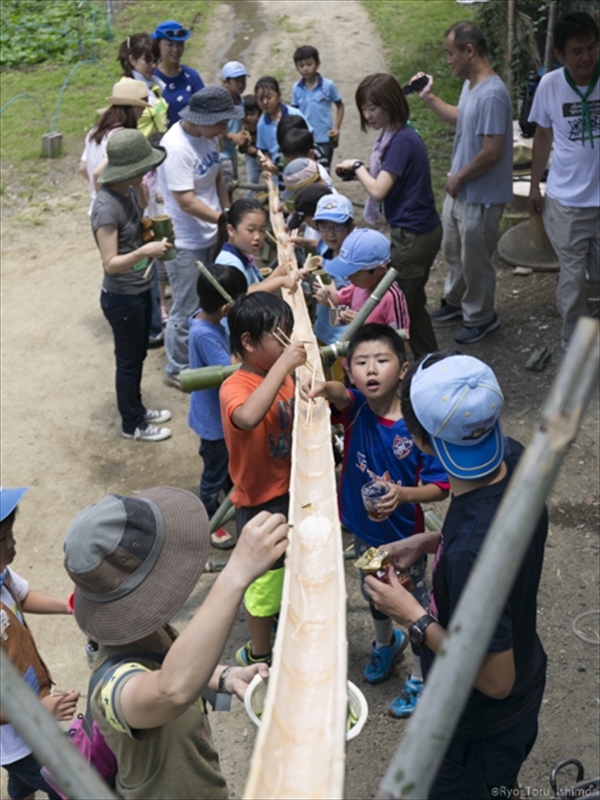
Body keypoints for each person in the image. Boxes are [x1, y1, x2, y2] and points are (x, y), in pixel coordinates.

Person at [364, 353, 548, 797]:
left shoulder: (469, 551)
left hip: (479, 724)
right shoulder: (516, 459)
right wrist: (429, 542)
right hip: (527, 677)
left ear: (420, 440)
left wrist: (412, 616)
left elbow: (495, 680)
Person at [63, 486, 289, 800]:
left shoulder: (151, 631)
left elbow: (172, 665)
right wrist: (236, 573)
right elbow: (170, 689)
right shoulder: (114, 689)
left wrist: (224, 676)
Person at [301, 325, 449, 717]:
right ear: (350, 372)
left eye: (381, 361)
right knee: (373, 593)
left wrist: (403, 495)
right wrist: (320, 387)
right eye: (361, 363)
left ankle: (419, 676)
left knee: (412, 605)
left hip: (404, 542)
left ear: (402, 369)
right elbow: (337, 394)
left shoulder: (415, 428)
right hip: (363, 530)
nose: (371, 370)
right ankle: (386, 645)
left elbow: (440, 486)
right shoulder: (356, 408)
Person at [411, 21, 513, 344]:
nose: (448, 60)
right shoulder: (472, 86)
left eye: (450, 53)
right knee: (454, 251)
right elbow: (461, 116)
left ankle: (481, 317)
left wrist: (459, 176)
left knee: (475, 260)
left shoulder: (493, 94)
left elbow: (493, 152)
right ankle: (455, 302)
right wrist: (428, 98)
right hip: (462, 191)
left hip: (480, 196)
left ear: (469, 51)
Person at [220, 293, 307, 667]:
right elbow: (249, 417)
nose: (288, 343)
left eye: (289, 334)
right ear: (248, 343)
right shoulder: (235, 386)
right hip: (258, 501)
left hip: (289, 489)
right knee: (262, 582)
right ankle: (260, 654)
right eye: (279, 336)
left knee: (288, 567)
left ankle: (281, 629)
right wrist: (283, 369)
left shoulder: (282, 375)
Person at [336, 73, 441, 357]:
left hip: (414, 236)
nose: (368, 115)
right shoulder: (395, 136)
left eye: (374, 108)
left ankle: (396, 372)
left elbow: (379, 190)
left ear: (391, 104)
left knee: (389, 308)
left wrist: (357, 167)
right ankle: (430, 359)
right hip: (418, 231)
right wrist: (359, 173)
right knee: (413, 303)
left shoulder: (400, 141)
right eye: (364, 109)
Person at [158, 86, 243, 390]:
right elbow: (186, 201)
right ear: (204, 118)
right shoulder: (177, 147)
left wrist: (228, 212)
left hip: (211, 232)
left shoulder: (209, 136)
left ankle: (203, 357)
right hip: (185, 240)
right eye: (221, 123)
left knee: (210, 301)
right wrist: (225, 220)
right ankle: (177, 368)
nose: (225, 129)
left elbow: (218, 176)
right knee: (186, 304)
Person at [92, 129, 173, 441]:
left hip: (138, 290)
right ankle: (132, 425)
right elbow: (110, 262)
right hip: (121, 296)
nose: (148, 172)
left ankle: (136, 408)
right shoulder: (105, 207)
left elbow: (139, 218)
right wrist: (144, 251)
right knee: (128, 363)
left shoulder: (127, 190)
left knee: (138, 356)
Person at [1, 486, 80, 800]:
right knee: (66, 784)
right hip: (16, 740)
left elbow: (23, 595)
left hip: (29, 710)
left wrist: (67, 605)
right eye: (3, 539)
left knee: (23, 782)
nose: (13, 543)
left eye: (11, 533)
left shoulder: (3, 575)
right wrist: (39, 710)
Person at [528, 11, 599, 351]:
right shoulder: (550, 85)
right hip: (568, 202)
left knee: (594, 271)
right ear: (560, 54)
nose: (586, 57)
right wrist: (533, 185)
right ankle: (574, 343)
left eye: (591, 48)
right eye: (577, 51)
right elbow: (543, 136)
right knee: (571, 277)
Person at [188, 264, 248, 550]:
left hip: (214, 416)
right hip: (214, 423)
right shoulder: (205, 334)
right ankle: (208, 515)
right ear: (226, 309)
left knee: (226, 467)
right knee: (213, 471)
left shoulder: (204, 321)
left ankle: (226, 498)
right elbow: (232, 371)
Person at [315, 228, 411, 342]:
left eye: (355, 274)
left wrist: (365, 325)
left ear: (380, 270)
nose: (349, 278)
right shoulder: (358, 285)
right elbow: (336, 300)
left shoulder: (392, 298)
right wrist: (325, 297)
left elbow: (402, 345)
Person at [79, 78, 150, 215]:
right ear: (135, 107)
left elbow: (83, 169)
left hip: (95, 208)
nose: (142, 114)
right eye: (142, 109)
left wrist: (97, 193)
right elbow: (98, 172)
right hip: (115, 208)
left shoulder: (95, 132)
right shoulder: (121, 137)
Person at [215, 198, 301, 294]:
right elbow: (241, 297)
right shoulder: (230, 262)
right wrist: (279, 281)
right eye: (251, 230)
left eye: (262, 231)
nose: (257, 237)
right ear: (231, 230)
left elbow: (255, 286)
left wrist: (276, 275)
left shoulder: (242, 254)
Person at [291, 44, 344, 167]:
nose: (305, 69)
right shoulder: (296, 89)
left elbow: (340, 106)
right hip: (304, 138)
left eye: (309, 64)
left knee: (324, 170)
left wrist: (336, 127)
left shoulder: (328, 85)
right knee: (306, 170)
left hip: (325, 137)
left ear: (318, 64)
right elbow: (294, 113)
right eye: (301, 66)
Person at [152, 20, 204, 128]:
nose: (175, 50)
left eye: (180, 45)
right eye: (170, 45)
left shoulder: (192, 76)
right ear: (158, 45)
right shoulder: (151, 78)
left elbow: (204, 108)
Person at [117, 33, 168, 136]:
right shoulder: (126, 89)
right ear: (132, 60)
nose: (154, 65)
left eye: (156, 60)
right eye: (148, 60)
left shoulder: (154, 86)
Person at [255, 76, 310, 165]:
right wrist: (265, 162)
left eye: (269, 97)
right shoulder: (261, 124)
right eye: (261, 99)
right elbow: (262, 150)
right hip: (278, 171)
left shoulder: (294, 114)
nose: (265, 102)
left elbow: (310, 136)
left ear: (279, 95)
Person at [220, 60, 251, 194]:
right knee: (225, 189)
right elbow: (214, 131)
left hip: (231, 153)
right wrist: (233, 136)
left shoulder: (240, 101)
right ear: (225, 82)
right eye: (236, 80)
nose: (241, 84)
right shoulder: (221, 103)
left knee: (232, 186)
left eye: (243, 80)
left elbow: (239, 123)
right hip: (220, 154)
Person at [240, 94, 262, 196]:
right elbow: (240, 146)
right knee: (252, 182)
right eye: (245, 114)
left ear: (259, 114)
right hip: (251, 158)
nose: (248, 118)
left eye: (252, 114)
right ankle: (249, 202)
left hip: (265, 156)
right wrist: (247, 149)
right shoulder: (242, 128)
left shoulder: (263, 126)